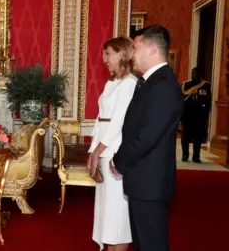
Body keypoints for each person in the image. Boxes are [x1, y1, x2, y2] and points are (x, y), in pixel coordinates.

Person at [112, 25, 184, 251]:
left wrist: (120, 162)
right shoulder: (151, 82)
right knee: (144, 243)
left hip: (150, 182)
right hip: (143, 180)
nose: (132, 53)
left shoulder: (162, 85)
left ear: (152, 49)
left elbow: (146, 137)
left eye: (136, 47)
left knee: (152, 244)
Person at [87, 37, 137, 251]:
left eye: (108, 53)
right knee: (107, 211)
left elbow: (118, 122)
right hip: (104, 150)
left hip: (116, 152)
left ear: (122, 54)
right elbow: (101, 119)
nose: (104, 59)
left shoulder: (130, 84)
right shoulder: (112, 83)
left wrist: (98, 151)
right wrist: (93, 151)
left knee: (118, 213)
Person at [180, 67, 211, 163]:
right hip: (187, 115)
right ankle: (185, 155)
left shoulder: (205, 86)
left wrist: (205, 115)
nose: (193, 75)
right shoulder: (186, 85)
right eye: (192, 73)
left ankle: (196, 156)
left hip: (199, 116)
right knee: (185, 136)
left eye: (195, 73)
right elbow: (181, 101)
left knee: (198, 137)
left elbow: (208, 102)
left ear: (200, 75)